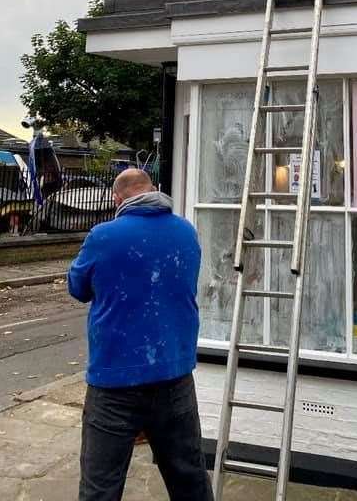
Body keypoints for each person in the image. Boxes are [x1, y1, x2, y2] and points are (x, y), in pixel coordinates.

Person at [68, 168, 213, 501]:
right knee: (189, 479)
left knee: (100, 486)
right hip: (174, 375)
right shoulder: (186, 232)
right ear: (153, 190)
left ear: (117, 199)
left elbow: (77, 287)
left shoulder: (103, 236)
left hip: (114, 382)